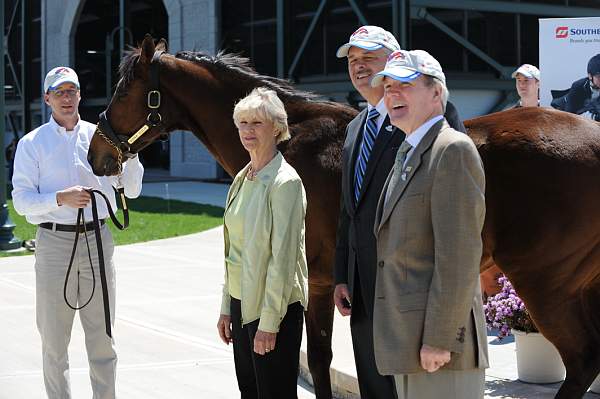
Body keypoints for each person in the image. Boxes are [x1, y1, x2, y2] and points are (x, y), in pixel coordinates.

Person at [333, 25, 467, 399]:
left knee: (407, 389)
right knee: (374, 382)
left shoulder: (433, 124)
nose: (358, 67)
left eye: (368, 59)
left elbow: (455, 232)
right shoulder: (356, 126)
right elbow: (350, 209)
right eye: (353, 60)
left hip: (409, 292)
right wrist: (343, 272)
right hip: (362, 286)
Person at [11, 66, 144, 399]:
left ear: (80, 95)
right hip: (54, 243)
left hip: (99, 241)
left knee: (102, 339)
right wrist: (60, 198)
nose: (66, 98)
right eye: (59, 92)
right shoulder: (32, 144)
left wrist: (132, 157)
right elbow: (22, 201)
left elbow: (132, 189)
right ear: (47, 99)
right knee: (54, 342)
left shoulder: (102, 137)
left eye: (72, 91)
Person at [370, 49, 488, 399]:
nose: (391, 94)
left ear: (436, 93)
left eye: (403, 85)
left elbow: (459, 257)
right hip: (409, 342)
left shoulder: (452, 151)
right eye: (387, 86)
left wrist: (439, 339)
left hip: (440, 350)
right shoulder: (408, 152)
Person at [216, 87, 308, 399]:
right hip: (243, 305)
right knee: (250, 393)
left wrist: (269, 323)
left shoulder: (285, 182)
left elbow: (282, 260)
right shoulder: (243, 177)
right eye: (242, 123)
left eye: (256, 123)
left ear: (276, 127)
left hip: (273, 309)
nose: (247, 131)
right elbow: (234, 252)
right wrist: (227, 307)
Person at [552, 53, 600, 121]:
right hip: (567, 108)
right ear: (590, 76)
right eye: (599, 77)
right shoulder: (578, 86)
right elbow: (570, 116)